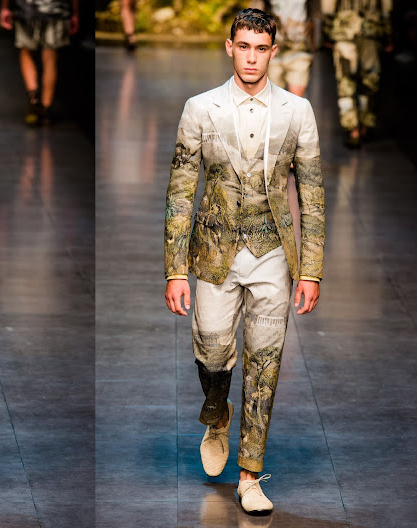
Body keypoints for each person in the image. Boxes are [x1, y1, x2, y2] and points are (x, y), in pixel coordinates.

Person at [164, 9, 325, 514]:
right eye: (244, 47)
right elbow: (180, 192)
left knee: (265, 364)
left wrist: (311, 269)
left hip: (273, 252)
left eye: (261, 48)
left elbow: (313, 195)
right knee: (212, 351)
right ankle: (218, 412)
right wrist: (174, 268)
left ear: (272, 51)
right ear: (229, 47)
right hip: (215, 252)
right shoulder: (200, 108)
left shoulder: (298, 111)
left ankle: (250, 476)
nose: (252, 57)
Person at [321, 0, 393, 147]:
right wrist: (387, 32)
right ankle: (364, 125)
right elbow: (386, 7)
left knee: (347, 82)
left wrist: (327, 30)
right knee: (368, 81)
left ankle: (354, 129)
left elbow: (328, 6)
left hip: (346, 30)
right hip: (368, 29)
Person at [0, 0, 79, 126]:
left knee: (26, 51)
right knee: (50, 58)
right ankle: (46, 108)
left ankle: (34, 100)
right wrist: (74, 12)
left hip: (27, 9)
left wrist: (5, 7)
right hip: (56, 9)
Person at [251, 0, 314, 97]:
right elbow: (254, 16)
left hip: (300, 49)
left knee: (295, 98)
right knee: (274, 98)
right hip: (273, 52)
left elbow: (315, 15)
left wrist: (315, 44)